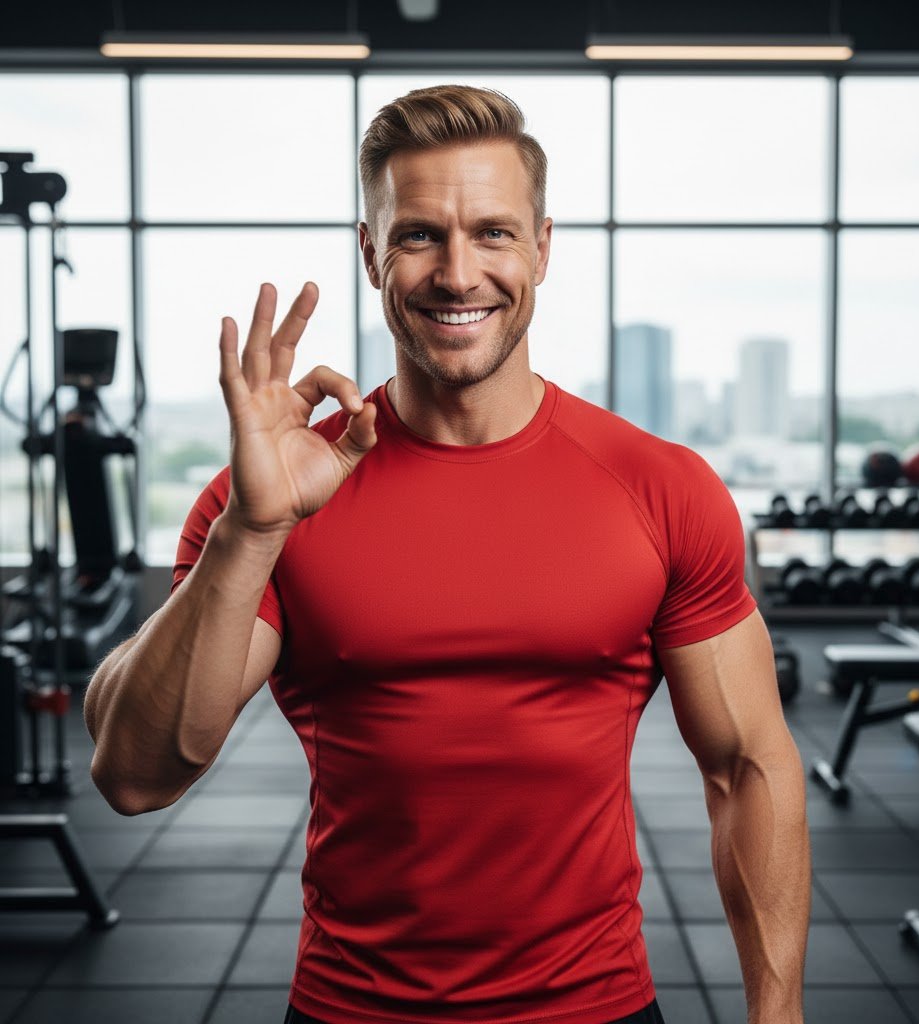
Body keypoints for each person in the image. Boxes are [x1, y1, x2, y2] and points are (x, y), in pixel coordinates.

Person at [85, 84, 811, 1024]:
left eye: (495, 234)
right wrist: (251, 533)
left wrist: (779, 1011)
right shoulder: (267, 503)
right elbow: (137, 775)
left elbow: (748, 765)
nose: (458, 273)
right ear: (369, 251)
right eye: (420, 234)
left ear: (542, 248)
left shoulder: (661, 487)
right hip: (352, 1010)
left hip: (597, 1007)